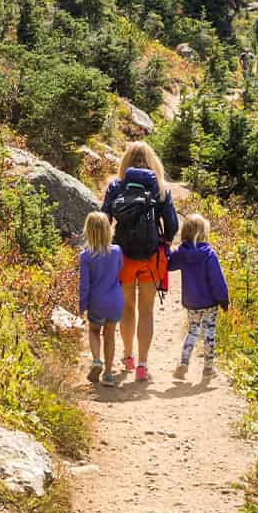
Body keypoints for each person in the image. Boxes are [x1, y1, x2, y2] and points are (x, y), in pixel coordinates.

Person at [101, 142, 179, 383]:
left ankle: (127, 357)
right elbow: (173, 225)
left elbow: (105, 219)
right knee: (146, 310)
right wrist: (163, 243)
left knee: (126, 308)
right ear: (152, 161)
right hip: (151, 257)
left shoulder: (116, 186)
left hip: (123, 255)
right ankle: (143, 366)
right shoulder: (160, 189)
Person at [170, 212, 230, 383]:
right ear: (203, 232)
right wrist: (223, 299)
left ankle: (183, 362)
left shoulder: (181, 253)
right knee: (209, 332)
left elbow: (168, 264)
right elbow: (217, 280)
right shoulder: (209, 255)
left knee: (193, 331)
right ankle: (208, 368)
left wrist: (166, 248)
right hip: (209, 302)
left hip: (191, 302)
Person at [77, 211, 125, 387]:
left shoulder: (85, 256)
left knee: (95, 331)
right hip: (115, 301)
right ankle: (109, 374)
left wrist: (82, 306)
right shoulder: (117, 251)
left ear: (87, 231)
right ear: (108, 230)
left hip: (97, 302)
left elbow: (84, 285)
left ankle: (97, 360)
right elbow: (120, 269)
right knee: (110, 336)